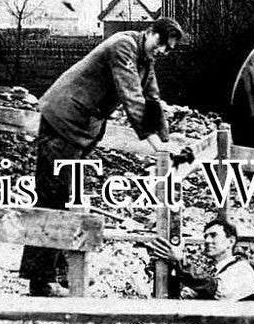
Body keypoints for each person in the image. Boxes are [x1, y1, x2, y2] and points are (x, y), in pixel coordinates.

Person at [20, 17, 185, 297]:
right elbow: (132, 98)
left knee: (68, 196)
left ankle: (61, 272)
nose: (161, 52)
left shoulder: (145, 58)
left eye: (166, 51)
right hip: (63, 120)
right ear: (149, 33)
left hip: (79, 129)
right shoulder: (123, 47)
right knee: (53, 197)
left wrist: (167, 143)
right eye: (160, 44)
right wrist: (156, 146)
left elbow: (153, 101)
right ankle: (40, 280)